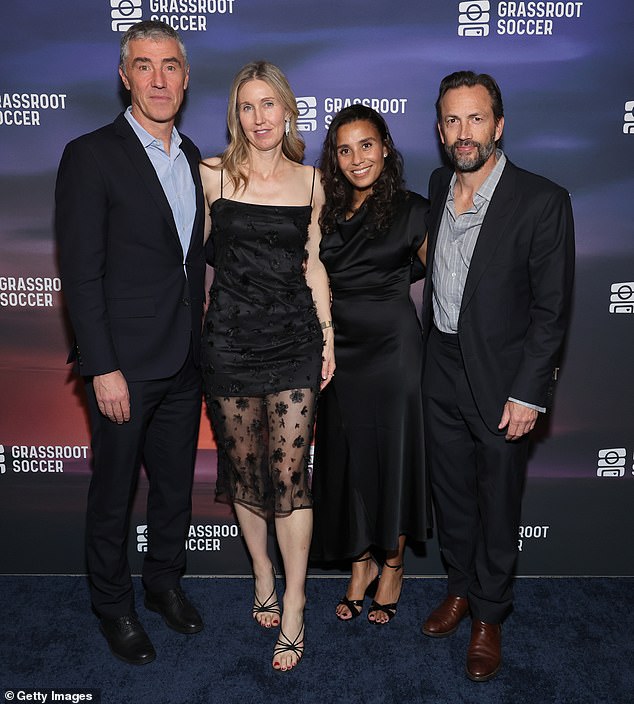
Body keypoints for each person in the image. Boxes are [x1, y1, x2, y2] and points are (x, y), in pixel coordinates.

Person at [55, 21, 206, 665]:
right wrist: (102, 367)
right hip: (123, 367)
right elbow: (80, 273)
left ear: (185, 75)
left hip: (185, 359)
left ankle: (164, 583)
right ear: (125, 77)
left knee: (174, 489)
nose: (158, 78)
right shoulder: (91, 155)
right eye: (144, 65)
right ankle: (113, 607)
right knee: (114, 493)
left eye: (169, 64)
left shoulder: (196, 156)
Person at [420, 71, 575, 681]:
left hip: (503, 379)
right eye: (453, 121)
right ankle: (459, 588)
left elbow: (550, 309)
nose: (464, 133)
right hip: (440, 367)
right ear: (440, 130)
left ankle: (489, 614)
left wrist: (529, 392)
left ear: (498, 125)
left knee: (498, 501)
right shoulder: (437, 185)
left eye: (476, 119)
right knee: (452, 495)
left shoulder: (541, 200)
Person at [199, 61, 335, 672]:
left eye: (269, 105)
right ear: (237, 114)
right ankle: (262, 573)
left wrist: (327, 337)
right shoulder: (210, 176)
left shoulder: (311, 182)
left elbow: (312, 265)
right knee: (246, 470)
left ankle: (298, 602)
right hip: (228, 339)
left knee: (289, 475)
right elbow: (190, 260)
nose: (260, 118)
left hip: (293, 341)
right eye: (248, 107)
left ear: (288, 111)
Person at [311, 105, 430, 625]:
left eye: (366, 145)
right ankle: (358, 563)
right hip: (339, 351)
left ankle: (393, 564)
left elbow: (447, 278)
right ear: (334, 159)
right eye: (344, 149)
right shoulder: (325, 212)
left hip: (395, 351)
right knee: (347, 455)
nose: (357, 158)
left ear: (385, 146)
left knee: (394, 455)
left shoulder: (414, 210)